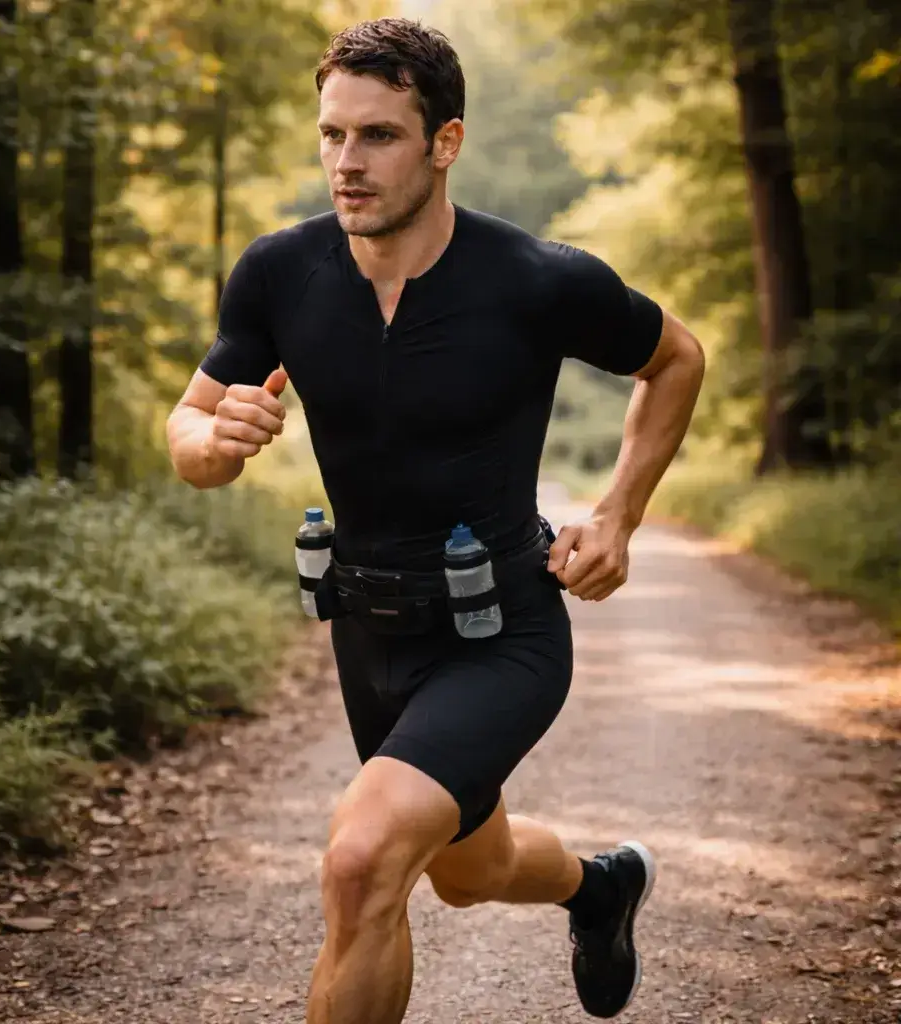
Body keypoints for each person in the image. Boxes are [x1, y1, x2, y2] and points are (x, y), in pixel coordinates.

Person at [166, 17, 704, 1024]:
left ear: (444, 142)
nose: (347, 162)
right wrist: (214, 439)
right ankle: (598, 889)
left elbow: (676, 357)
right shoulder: (281, 273)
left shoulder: (535, 278)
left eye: (378, 136)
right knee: (466, 869)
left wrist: (617, 516)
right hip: (368, 632)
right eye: (332, 135)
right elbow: (190, 431)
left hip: (501, 630)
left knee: (363, 859)